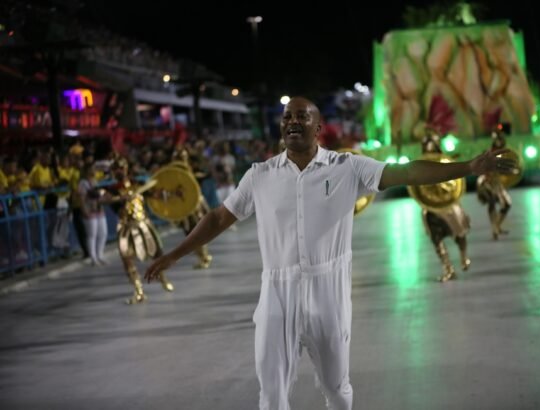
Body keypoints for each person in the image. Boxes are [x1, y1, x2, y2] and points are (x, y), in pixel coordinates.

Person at [144, 97, 515, 410]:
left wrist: (466, 167)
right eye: (287, 117)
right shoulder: (259, 175)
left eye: (302, 117)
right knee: (271, 393)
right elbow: (218, 217)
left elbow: (406, 173)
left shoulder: (347, 168)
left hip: (329, 293)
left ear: (318, 128)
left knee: (337, 389)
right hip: (277, 294)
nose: (292, 122)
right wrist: (174, 255)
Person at [108, 157, 173, 304]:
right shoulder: (111, 189)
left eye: (122, 167)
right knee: (127, 258)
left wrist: (166, 194)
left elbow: (153, 192)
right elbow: (102, 198)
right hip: (125, 227)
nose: (120, 170)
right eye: (116, 168)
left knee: (157, 252)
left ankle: (163, 278)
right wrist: (118, 198)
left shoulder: (137, 183)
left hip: (143, 224)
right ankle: (139, 291)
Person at [417, 131, 471, 282]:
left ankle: (463, 257)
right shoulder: (420, 165)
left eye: (431, 145)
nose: (429, 149)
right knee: (436, 238)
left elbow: (452, 184)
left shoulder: (445, 162)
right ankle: (448, 268)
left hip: (448, 206)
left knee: (460, 234)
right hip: (431, 207)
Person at [476, 130, 513, 240]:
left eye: (500, 140)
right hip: (488, 182)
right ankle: (494, 229)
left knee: (507, 204)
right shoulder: (489, 153)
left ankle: (497, 226)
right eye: (497, 140)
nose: (499, 142)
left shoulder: (506, 154)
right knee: (491, 202)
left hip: (498, 183)